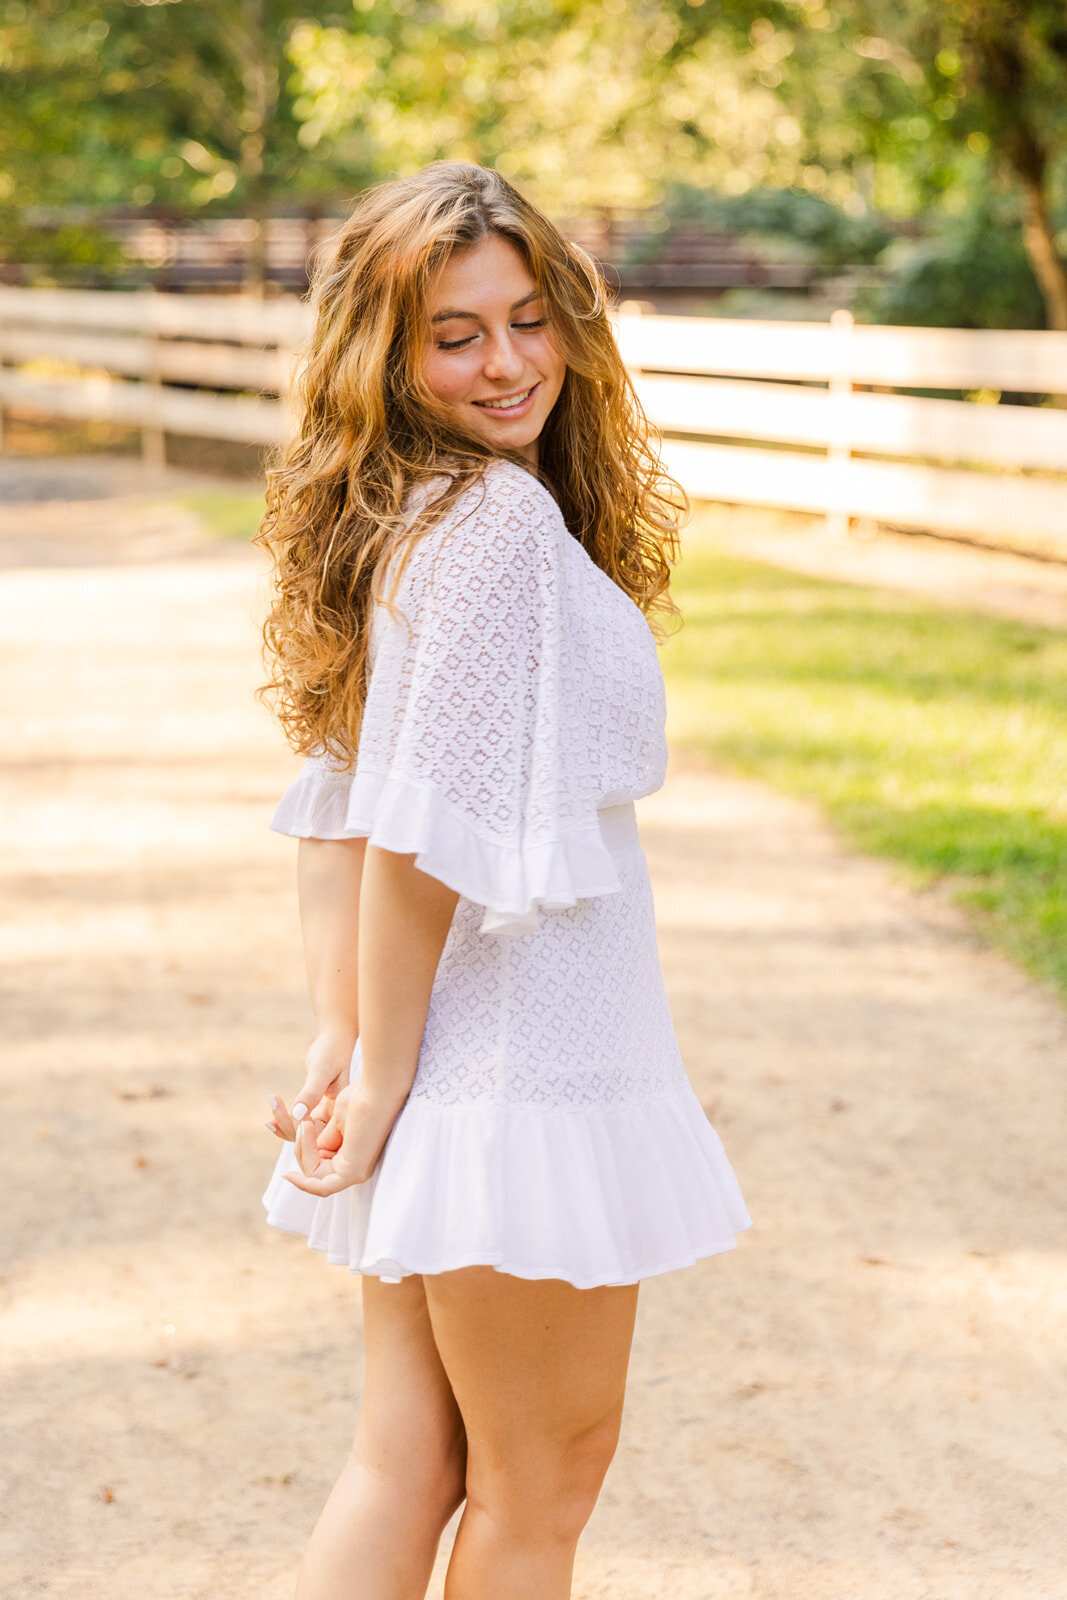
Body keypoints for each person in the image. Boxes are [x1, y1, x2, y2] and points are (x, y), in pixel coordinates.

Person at [255, 160, 751, 1600]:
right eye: (456, 334)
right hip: (517, 1070)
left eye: (529, 319)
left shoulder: (416, 514)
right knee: (542, 1487)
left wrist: (353, 1047)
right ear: (388, 355)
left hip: (462, 1065)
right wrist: (378, 1073)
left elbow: (339, 808)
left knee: (411, 1463)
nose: (508, 361)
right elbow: (403, 839)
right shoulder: (495, 532)